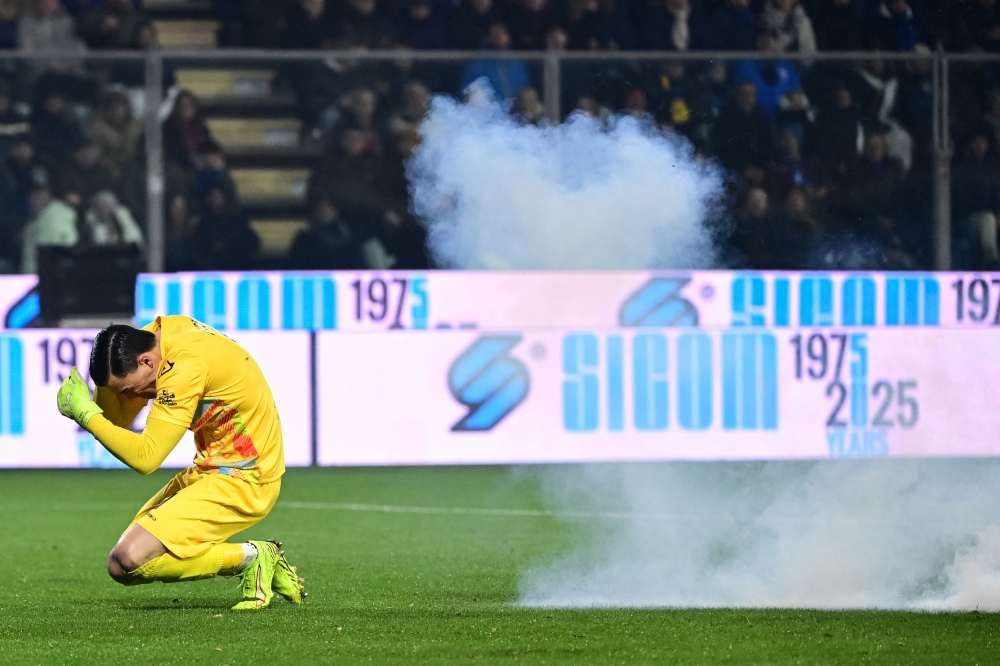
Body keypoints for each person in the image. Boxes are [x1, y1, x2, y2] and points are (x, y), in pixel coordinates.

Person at [54, 319, 307, 609]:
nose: (134, 398)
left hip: (247, 479)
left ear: (147, 361)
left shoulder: (185, 367)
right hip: (211, 470)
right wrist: (103, 390)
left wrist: (86, 415)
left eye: (130, 390)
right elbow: (116, 423)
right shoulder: (155, 338)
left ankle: (254, 557)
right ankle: (255, 556)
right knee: (121, 565)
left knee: (132, 557)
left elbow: (145, 458)